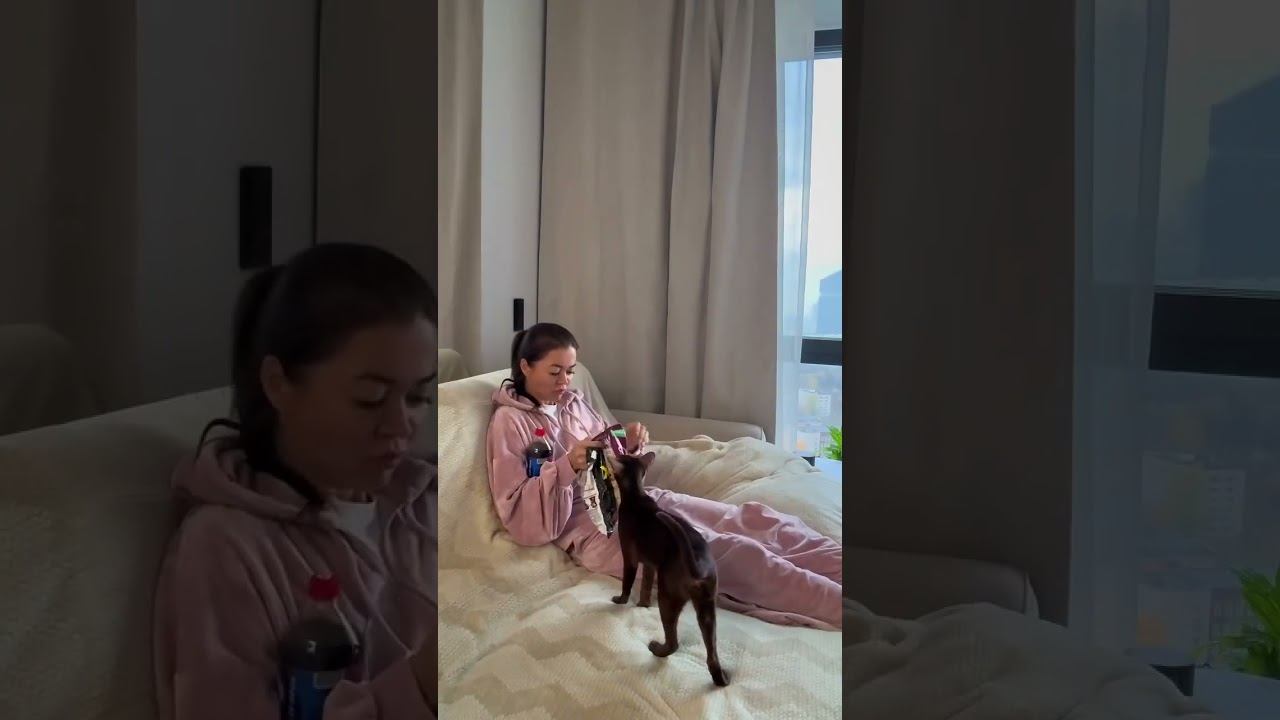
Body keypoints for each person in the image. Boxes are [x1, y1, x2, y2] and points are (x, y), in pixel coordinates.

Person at [152, 244, 439, 719]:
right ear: (279, 383)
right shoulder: (228, 548)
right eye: (370, 398)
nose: (400, 426)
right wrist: (419, 689)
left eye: (418, 397)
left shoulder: (426, 498)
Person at [486, 323, 842, 630]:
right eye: (555, 372)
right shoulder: (509, 423)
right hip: (598, 529)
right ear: (525, 366)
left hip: (638, 500)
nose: (565, 381)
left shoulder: (573, 403)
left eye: (570, 371)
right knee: (723, 552)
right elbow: (518, 513)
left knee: (754, 521)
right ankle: (844, 609)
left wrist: (627, 440)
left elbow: (610, 448)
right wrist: (567, 466)